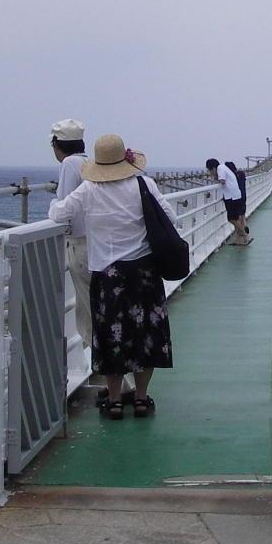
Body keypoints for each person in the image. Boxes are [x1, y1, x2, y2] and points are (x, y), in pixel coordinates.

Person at [48, 134, 174, 420]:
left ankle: (115, 401)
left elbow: (59, 213)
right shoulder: (144, 184)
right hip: (144, 272)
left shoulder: (89, 189)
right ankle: (141, 399)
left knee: (110, 337)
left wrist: (54, 202)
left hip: (107, 274)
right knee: (145, 335)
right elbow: (170, 217)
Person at [50, 119, 92, 350]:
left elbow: (63, 207)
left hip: (78, 245)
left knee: (86, 309)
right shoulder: (88, 162)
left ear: (57, 145)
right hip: (95, 243)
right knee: (94, 305)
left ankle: (101, 363)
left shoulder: (69, 163)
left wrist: (52, 204)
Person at [206, 158, 250, 245]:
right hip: (235, 196)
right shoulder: (223, 167)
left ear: (213, 168)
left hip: (232, 197)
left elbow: (222, 181)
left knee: (231, 219)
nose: (210, 172)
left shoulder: (220, 168)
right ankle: (240, 238)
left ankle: (244, 234)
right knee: (235, 218)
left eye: (210, 170)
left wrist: (214, 178)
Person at [224, 161, 250, 241]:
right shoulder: (241, 174)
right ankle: (239, 237)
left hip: (236, 198)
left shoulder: (231, 177)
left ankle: (243, 234)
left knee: (234, 219)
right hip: (243, 196)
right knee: (242, 215)